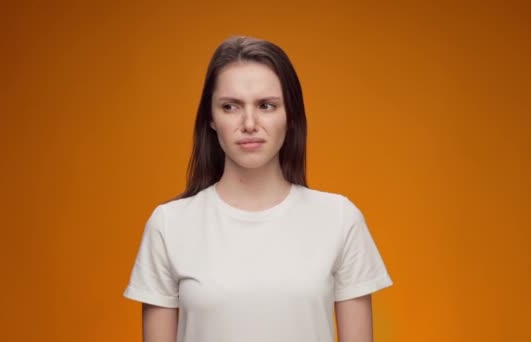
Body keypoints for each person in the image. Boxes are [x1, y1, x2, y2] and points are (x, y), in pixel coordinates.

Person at [123, 35, 393, 342]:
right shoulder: (169, 225)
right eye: (230, 106)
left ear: (290, 116)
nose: (249, 123)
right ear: (211, 118)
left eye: (266, 105)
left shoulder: (340, 219)